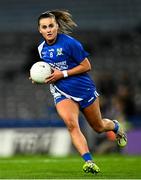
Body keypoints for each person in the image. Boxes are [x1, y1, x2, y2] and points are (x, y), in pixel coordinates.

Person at [30, 9, 127, 174]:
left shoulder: (70, 43)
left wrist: (63, 73)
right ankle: (89, 162)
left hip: (83, 89)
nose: (48, 30)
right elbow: (49, 69)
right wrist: (39, 78)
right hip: (62, 91)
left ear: (57, 26)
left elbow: (86, 66)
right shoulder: (41, 48)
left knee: (98, 126)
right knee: (71, 125)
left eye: (51, 26)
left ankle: (115, 126)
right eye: (44, 27)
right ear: (40, 30)